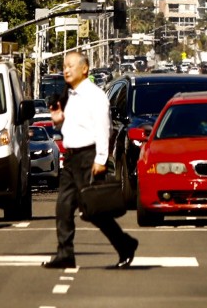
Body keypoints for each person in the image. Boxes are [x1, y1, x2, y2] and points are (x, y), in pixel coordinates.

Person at [45, 51, 137, 270]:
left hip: (89, 156)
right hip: (71, 158)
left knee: (94, 210)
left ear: (84, 69)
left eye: (71, 65)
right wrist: (58, 121)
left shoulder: (95, 95)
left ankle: (125, 244)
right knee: (63, 207)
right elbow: (68, 128)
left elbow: (103, 128)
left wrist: (101, 159)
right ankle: (65, 254)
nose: (66, 69)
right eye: (64, 65)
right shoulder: (68, 96)